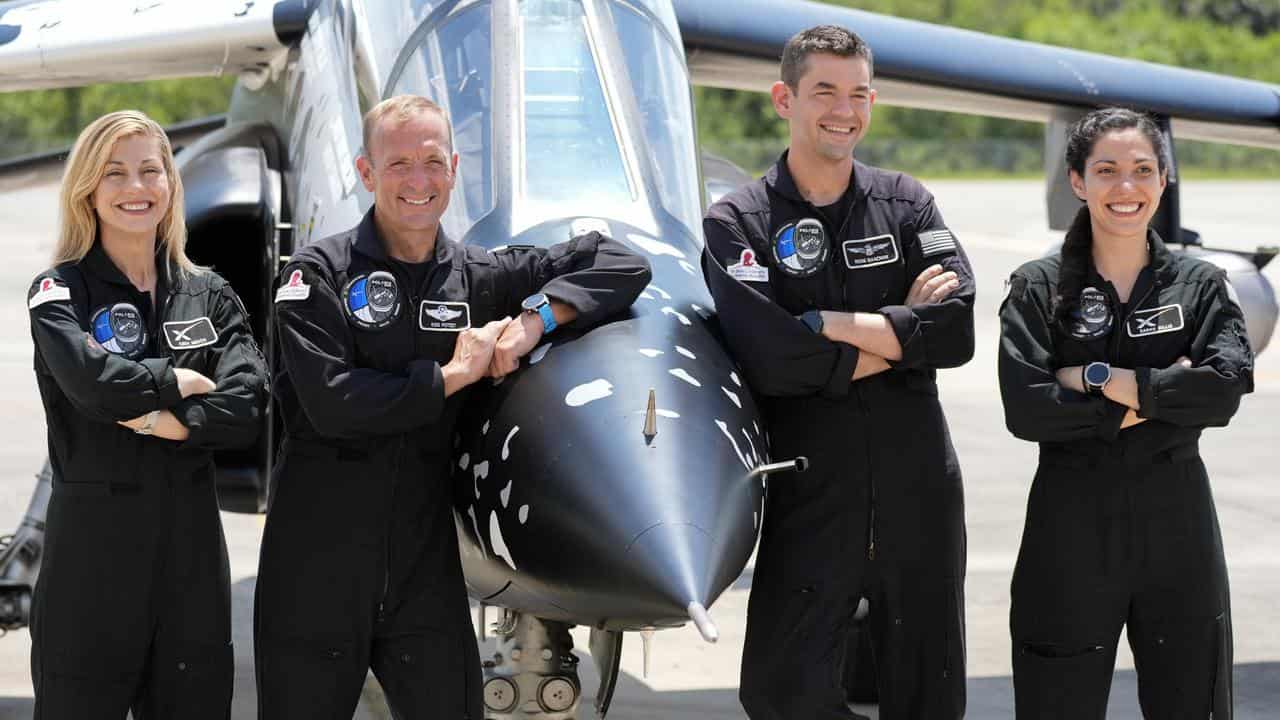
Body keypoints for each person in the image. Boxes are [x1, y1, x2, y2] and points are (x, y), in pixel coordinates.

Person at [255, 94, 651, 719]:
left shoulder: (479, 276)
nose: (419, 181)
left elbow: (620, 261)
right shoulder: (316, 274)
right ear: (365, 173)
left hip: (424, 565)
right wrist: (451, 375)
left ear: (454, 167)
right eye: (399, 163)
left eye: (433, 162)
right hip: (317, 563)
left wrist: (532, 320)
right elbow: (334, 403)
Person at [701, 25, 974, 720]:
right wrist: (899, 334)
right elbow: (772, 359)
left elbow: (959, 328)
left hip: (918, 487)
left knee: (927, 685)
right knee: (781, 689)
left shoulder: (906, 202)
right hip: (810, 489)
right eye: (824, 90)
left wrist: (828, 325)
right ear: (782, 99)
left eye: (858, 94)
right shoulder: (739, 221)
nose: (843, 110)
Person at [998, 107, 1252, 719]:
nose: (1126, 188)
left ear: (1164, 179)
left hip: (1178, 525)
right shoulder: (1038, 287)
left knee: (1192, 698)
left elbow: (1225, 389)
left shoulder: (1200, 284)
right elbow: (1029, 409)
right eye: (1106, 170)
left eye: (1142, 170)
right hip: (1070, 528)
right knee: (1057, 701)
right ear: (1077, 181)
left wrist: (1099, 380)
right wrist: (1163, 397)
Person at [25, 110, 268, 718]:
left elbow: (251, 402)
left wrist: (172, 421)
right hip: (92, 564)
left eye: (149, 170)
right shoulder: (59, 293)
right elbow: (93, 385)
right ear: (88, 188)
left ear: (170, 184)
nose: (136, 188)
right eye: (115, 173)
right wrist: (176, 377)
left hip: (189, 565)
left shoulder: (208, 292)